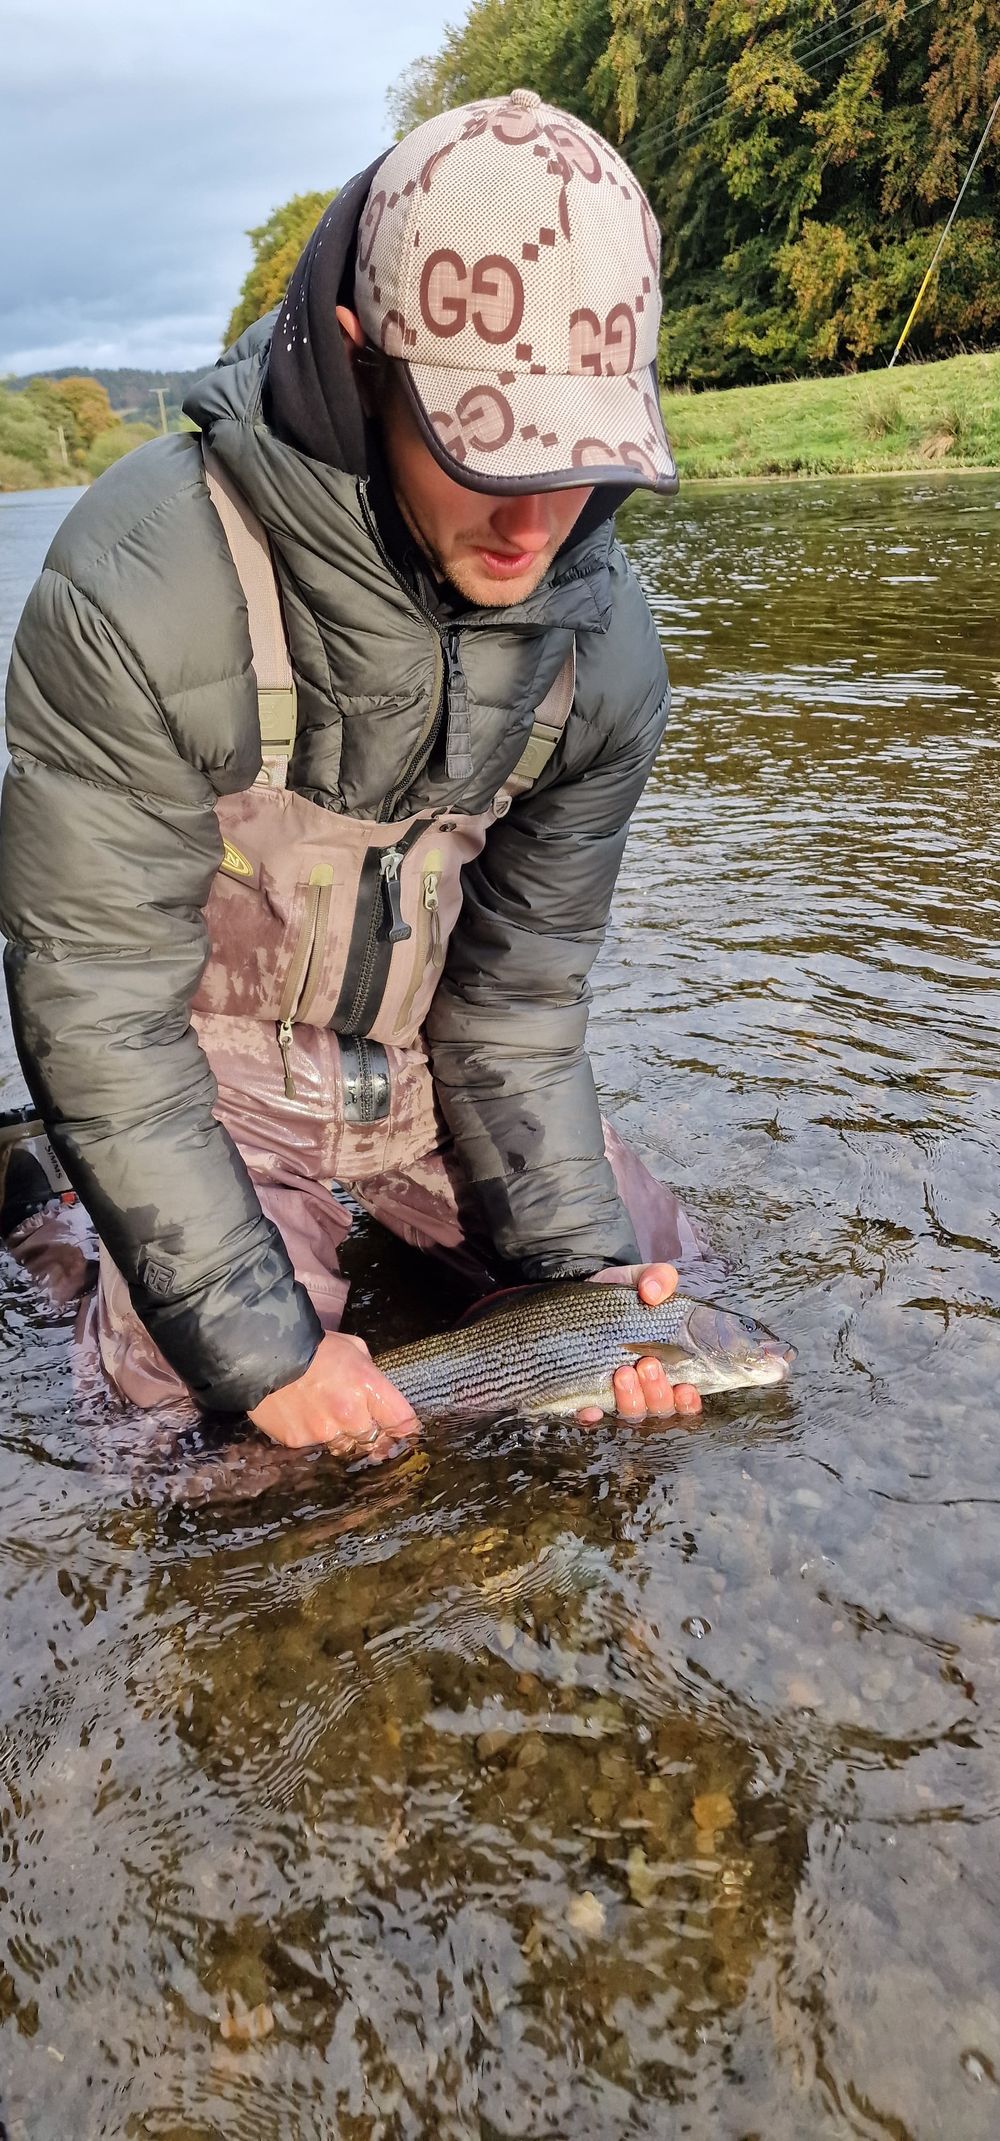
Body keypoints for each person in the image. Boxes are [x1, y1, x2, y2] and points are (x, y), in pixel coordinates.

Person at [0, 88, 714, 1457]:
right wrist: (261, 1352)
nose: (535, 518)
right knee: (212, 1454)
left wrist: (584, 1298)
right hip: (202, 1076)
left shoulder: (603, 653)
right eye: (487, 443)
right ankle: (56, 1220)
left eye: (577, 455)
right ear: (357, 358)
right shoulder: (142, 583)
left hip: (424, 1077)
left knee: (679, 1305)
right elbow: (97, 1000)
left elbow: (517, 1001)